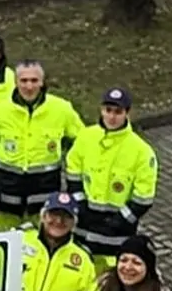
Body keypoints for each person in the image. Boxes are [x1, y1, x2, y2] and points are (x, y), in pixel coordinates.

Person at [0, 60, 82, 224]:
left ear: (42, 82)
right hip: (7, 187)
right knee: (5, 237)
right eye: (24, 80)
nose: (29, 86)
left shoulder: (61, 109)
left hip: (44, 187)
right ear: (15, 82)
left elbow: (82, 141)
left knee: (42, 238)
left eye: (34, 80)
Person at [64, 87, 158, 264]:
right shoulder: (86, 137)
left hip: (116, 237)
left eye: (118, 112)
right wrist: (81, 205)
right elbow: (73, 172)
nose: (112, 117)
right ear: (101, 110)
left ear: (127, 113)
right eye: (108, 110)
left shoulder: (141, 151)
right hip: (83, 229)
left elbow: (144, 197)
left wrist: (118, 221)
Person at [1, 190, 99, 291]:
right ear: (43, 216)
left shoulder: (84, 260)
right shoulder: (19, 239)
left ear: (74, 223)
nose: (59, 221)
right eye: (54, 214)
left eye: (66, 217)